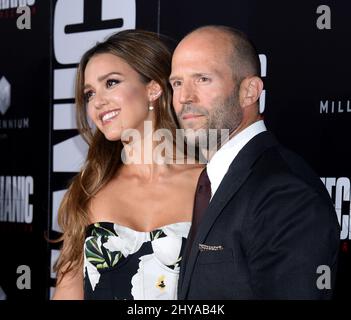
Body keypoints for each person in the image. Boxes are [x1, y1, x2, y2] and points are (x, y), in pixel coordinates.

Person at [169, 25, 340, 299]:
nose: (184, 97)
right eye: (177, 83)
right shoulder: (216, 178)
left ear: (249, 91)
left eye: (202, 79)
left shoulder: (285, 193)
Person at [52, 29, 203, 300]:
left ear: (153, 88)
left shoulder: (210, 182)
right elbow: (68, 292)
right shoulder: (88, 189)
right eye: (89, 94)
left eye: (111, 83)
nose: (97, 102)